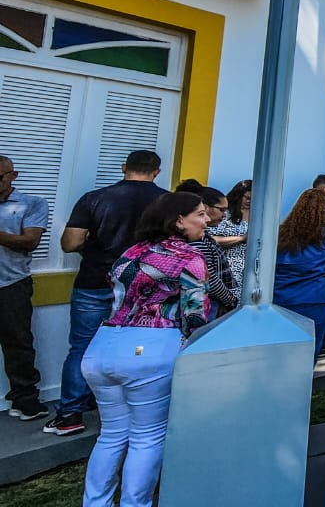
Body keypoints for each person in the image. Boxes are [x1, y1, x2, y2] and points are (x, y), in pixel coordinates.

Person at [80, 191, 209, 507]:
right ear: (179, 220)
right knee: (146, 437)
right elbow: (195, 314)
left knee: (111, 435)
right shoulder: (188, 257)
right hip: (152, 346)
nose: (206, 221)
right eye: (201, 214)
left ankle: (95, 502)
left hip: (104, 344)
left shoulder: (130, 252)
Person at [48, 150, 167, 438]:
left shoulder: (94, 198)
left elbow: (70, 243)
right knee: (136, 347)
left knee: (82, 347)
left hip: (95, 280)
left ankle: (70, 414)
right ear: (157, 171)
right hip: (143, 285)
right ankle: (128, 409)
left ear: (124, 167)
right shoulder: (167, 202)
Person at [274, 189, 325, 359]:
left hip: (280, 297)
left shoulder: (282, 233)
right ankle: (303, 384)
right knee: (310, 348)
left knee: (281, 347)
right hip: (317, 299)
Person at [0, 155, 50, 421]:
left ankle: (25, 399)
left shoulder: (32, 203)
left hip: (11, 283)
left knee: (18, 342)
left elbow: (29, 241)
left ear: (13, 175)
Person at [174, 181, 238, 317]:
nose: (224, 216)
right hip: (207, 303)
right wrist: (230, 300)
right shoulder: (197, 242)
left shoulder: (203, 238)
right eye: (222, 210)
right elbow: (209, 278)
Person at [211, 179, 251, 292]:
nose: (249, 201)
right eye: (246, 198)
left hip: (251, 271)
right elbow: (211, 239)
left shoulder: (260, 215)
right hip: (227, 269)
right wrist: (241, 238)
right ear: (238, 196)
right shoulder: (225, 215)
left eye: (252, 199)